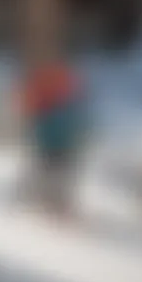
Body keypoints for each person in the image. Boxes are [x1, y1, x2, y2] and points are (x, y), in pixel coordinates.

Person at [18, 63, 87, 217]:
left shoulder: (59, 91)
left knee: (53, 172)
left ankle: (50, 202)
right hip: (55, 140)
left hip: (56, 141)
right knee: (53, 172)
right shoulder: (58, 92)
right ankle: (48, 202)